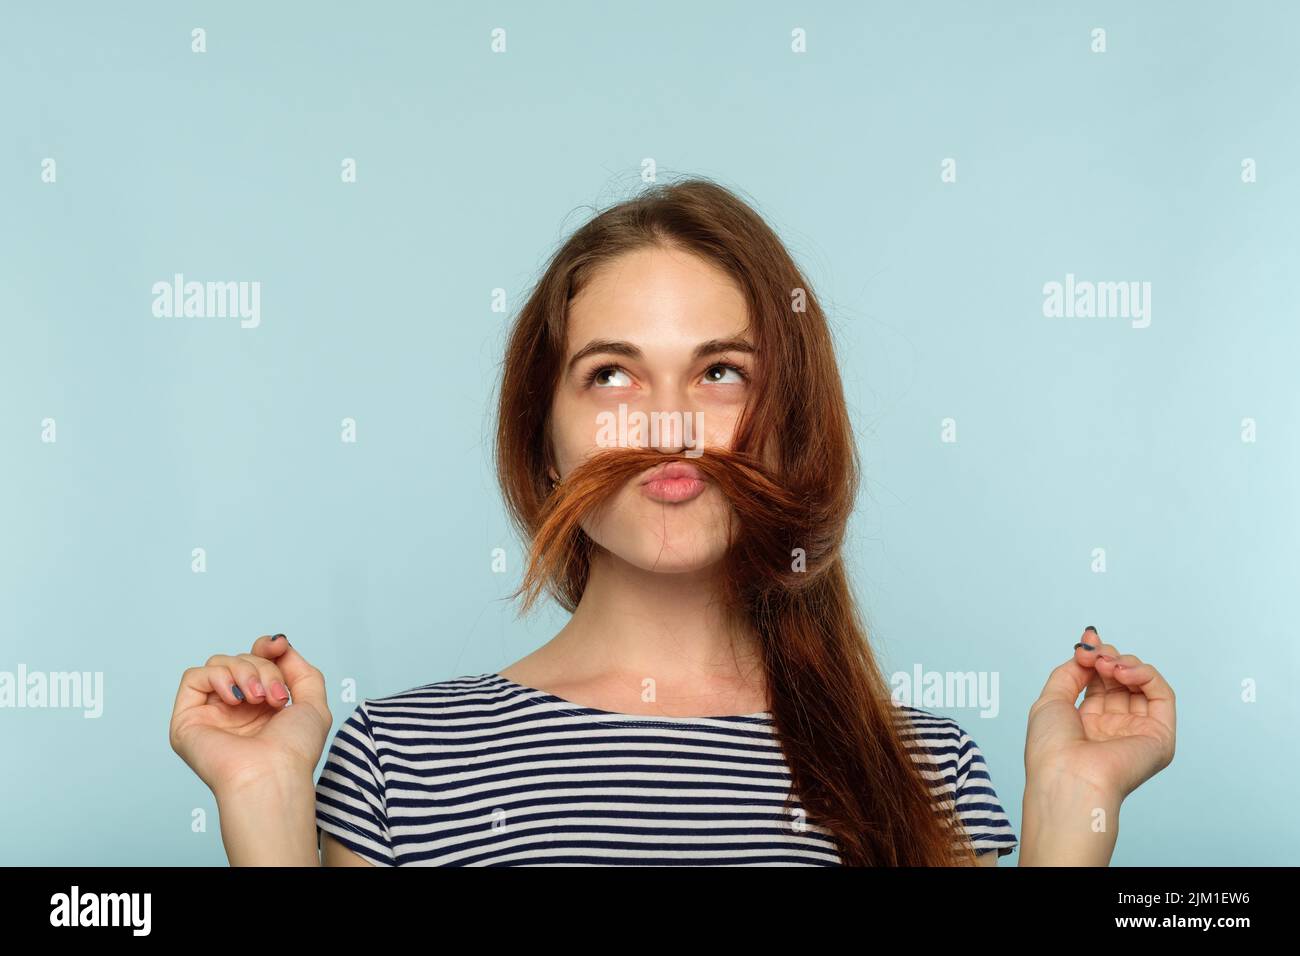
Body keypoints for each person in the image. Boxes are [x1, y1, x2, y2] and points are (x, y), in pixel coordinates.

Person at [169, 178, 1176, 866]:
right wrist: (261, 804)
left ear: (793, 424)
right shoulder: (396, 758)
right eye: (610, 372)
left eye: (721, 371)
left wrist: (1067, 810)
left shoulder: (923, 766)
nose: (665, 421)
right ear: (542, 434)